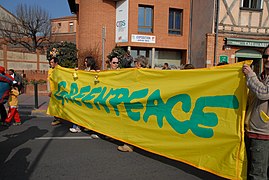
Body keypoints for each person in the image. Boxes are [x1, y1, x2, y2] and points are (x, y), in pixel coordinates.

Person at [242, 44, 269, 180]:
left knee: (257, 174)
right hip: (252, 131)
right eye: (266, 56)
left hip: (263, 134)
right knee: (252, 171)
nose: (268, 59)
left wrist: (250, 75)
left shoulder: (256, 76)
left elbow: (264, 93)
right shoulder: (262, 76)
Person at [117, 55, 149, 153]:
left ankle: (129, 145)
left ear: (138, 64)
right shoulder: (150, 74)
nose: (134, 65)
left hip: (136, 103)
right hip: (144, 103)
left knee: (131, 123)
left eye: (135, 63)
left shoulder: (137, 73)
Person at [69, 56, 99, 135]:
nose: (85, 62)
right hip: (84, 94)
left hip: (90, 94)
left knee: (88, 112)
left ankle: (88, 127)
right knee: (79, 110)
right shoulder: (85, 70)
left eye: (86, 61)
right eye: (85, 61)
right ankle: (77, 126)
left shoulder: (92, 71)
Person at [48, 57, 63, 126]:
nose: (50, 64)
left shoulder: (60, 69)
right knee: (54, 106)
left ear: (56, 63)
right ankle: (57, 118)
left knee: (59, 105)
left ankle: (60, 118)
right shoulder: (50, 70)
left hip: (59, 91)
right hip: (52, 91)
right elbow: (49, 80)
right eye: (50, 62)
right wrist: (50, 91)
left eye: (52, 62)